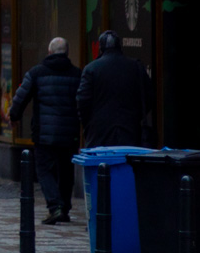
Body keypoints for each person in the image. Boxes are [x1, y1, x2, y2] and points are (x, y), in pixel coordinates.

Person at [8, 37, 82, 224]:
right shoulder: (77, 74)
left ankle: (54, 207)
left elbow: (20, 97)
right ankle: (64, 208)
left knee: (44, 170)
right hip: (69, 132)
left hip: (44, 133)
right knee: (66, 171)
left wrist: (14, 117)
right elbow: (85, 100)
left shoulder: (36, 73)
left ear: (49, 52)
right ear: (67, 53)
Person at [76, 29, 153, 148]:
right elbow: (148, 97)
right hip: (130, 132)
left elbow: (82, 102)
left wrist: (90, 124)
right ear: (119, 46)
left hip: (99, 134)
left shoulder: (91, 69)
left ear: (101, 48)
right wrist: (135, 116)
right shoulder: (135, 67)